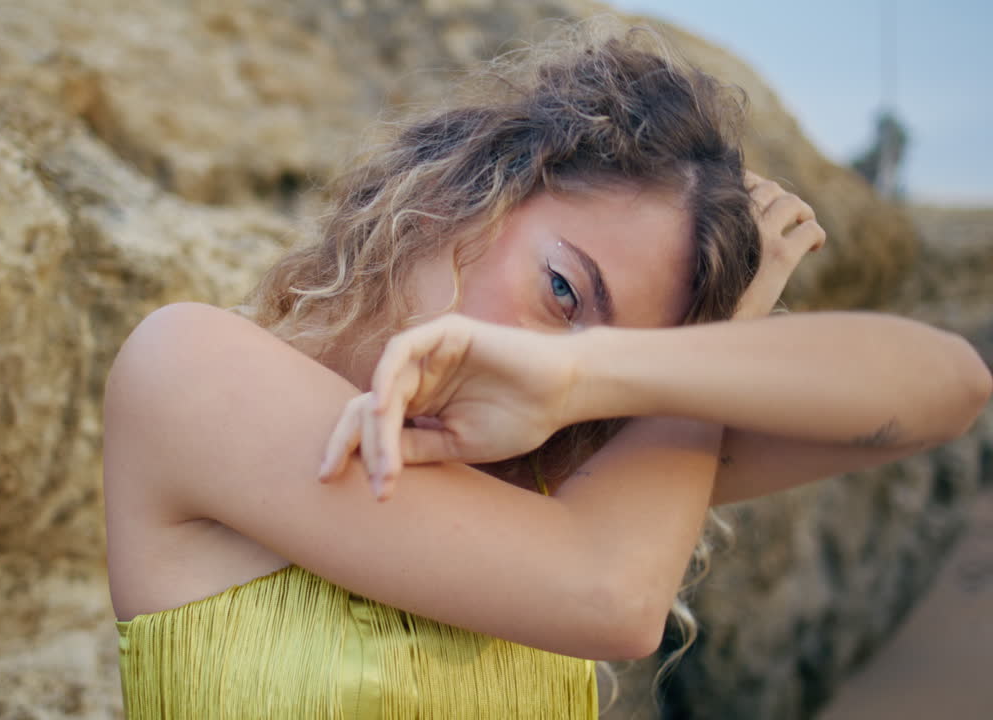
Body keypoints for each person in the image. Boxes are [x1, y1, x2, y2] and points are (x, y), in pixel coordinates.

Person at [102, 23, 991, 719]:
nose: (541, 355)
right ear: (465, 191)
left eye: (608, 346)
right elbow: (615, 599)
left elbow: (948, 387)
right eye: (563, 289)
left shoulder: (563, 465)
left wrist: (612, 375)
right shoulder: (190, 370)